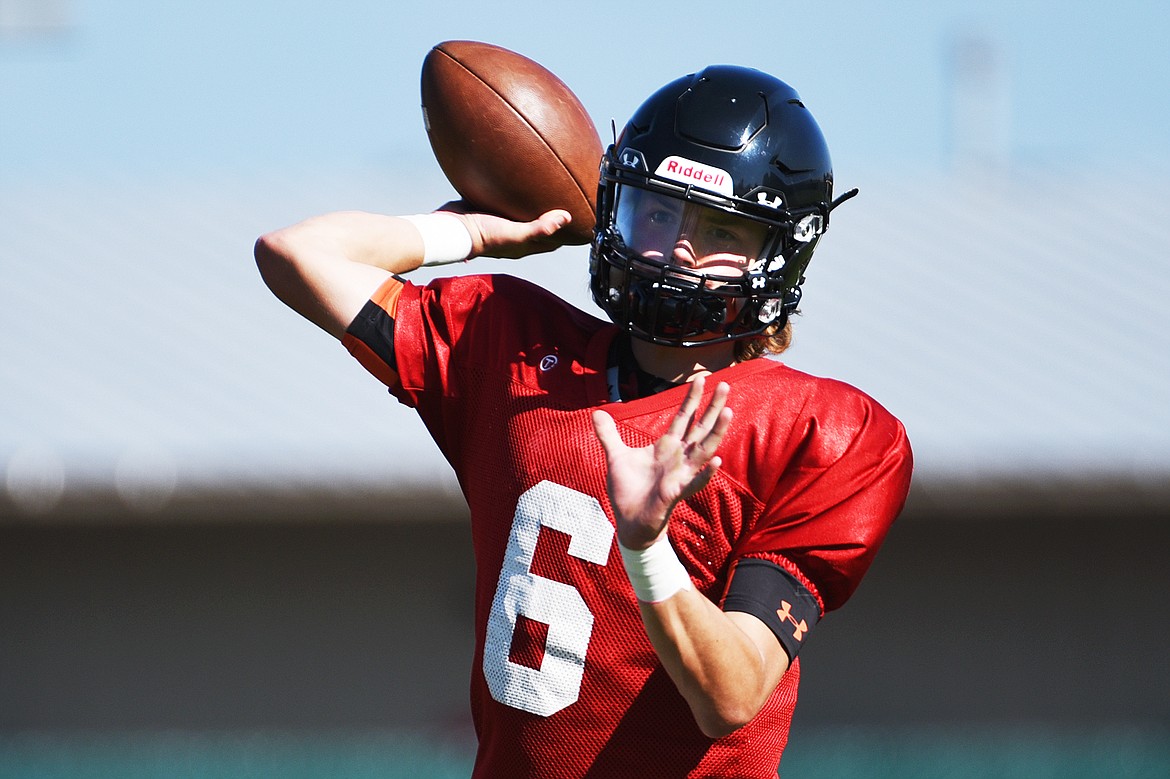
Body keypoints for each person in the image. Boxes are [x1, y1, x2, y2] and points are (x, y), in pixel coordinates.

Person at [255, 64, 912, 778]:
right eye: (659, 211)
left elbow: (731, 694)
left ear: (780, 253)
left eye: (718, 227)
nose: (678, 246)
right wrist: (471, 232)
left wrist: (646, 544)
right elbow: (297, 253)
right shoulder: (509, 342)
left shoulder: (824, 430)